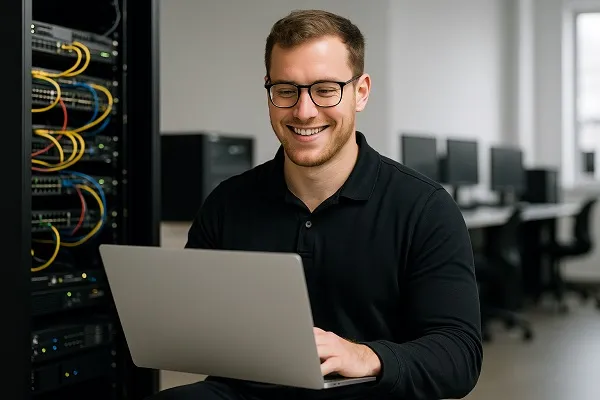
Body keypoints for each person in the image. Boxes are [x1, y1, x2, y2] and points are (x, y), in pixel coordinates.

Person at [151, 9, 482, 400]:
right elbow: (193, 322)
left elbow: (459, 356)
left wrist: (365, 356)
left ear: (361, 92)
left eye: (326, 89)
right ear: (269, 89)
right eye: (286, 90)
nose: (304, 111)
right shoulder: (228, 201)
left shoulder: (425, 207)